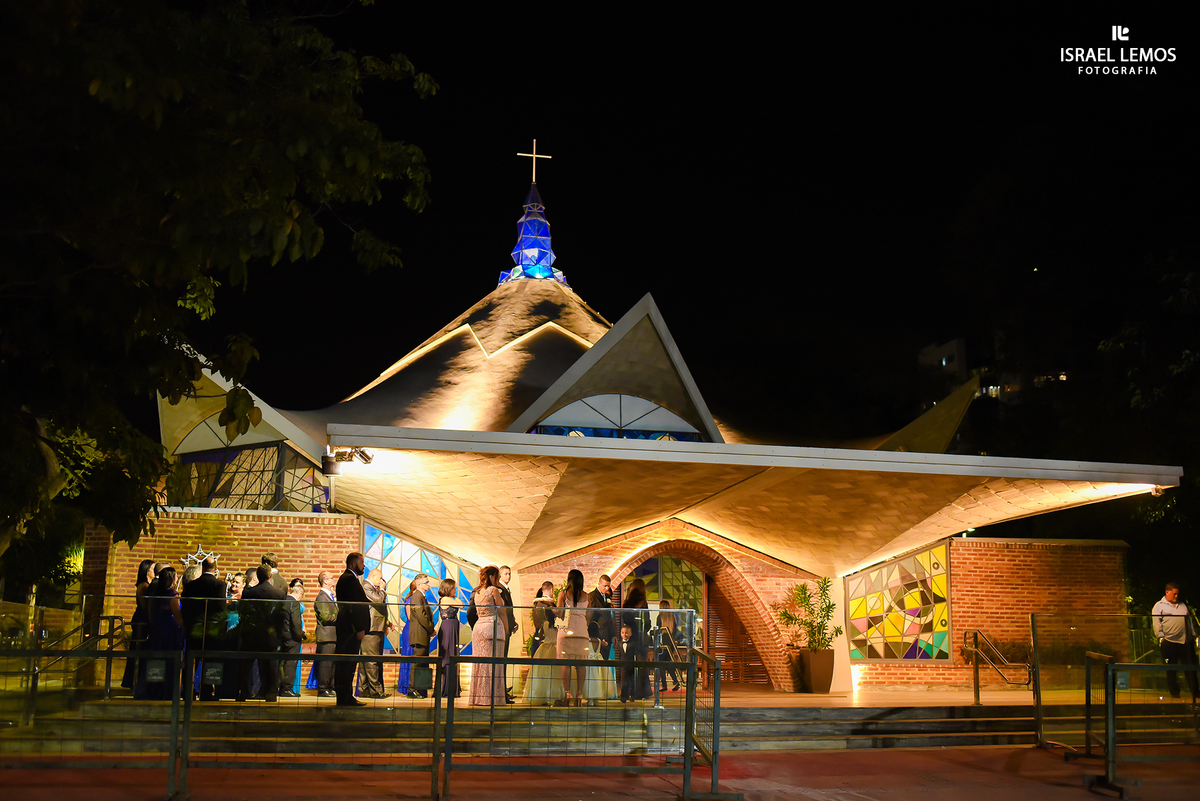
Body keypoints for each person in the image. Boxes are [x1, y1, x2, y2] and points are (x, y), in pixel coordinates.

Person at [181, 558, 227, 701]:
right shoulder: (220, 585)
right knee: (210, 661)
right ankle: (206, 692)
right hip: (211, 628)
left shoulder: (191, 585)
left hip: (194, 627)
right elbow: (220, 608)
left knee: (190, 660)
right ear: (215, 568)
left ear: (202, 568)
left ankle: (187, 691)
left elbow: (185, 605)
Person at [240, 565, 285, 702]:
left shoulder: (248, 593)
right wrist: (278, 634)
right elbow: (280, 617)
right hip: (269, 635)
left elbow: (243, 613)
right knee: (270, 666)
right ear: (270, 576)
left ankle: (242, 693)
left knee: (245, 666)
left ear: (257, 576)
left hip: (251, 634)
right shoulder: (279, 594)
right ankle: (270, 693)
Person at [469, 565, 509, 706]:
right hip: (493, 628)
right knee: (494, 664)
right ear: (491, 577)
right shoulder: (493, 590)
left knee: (480, 664)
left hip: (479, 629)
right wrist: (506, 627)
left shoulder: (477, 592)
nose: (498, 580)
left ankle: (479, 697)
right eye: (497, 577)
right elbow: (501, 611)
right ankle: (492, 698)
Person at [1153, 582, 1199, 700]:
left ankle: (1195, 692)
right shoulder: (1159, 606)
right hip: (1169, 642)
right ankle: (1174, 692)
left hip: (1185, 642)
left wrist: (1192, 635)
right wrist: (1161, 636)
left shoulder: (1182, 605)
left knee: (1190, 668)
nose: (1176, 596)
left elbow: (1188, 621)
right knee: (1171, 669)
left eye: (1177, 594)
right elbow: (1156, 622)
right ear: (1167, 592)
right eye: (1174, 594)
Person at [335, 552, 370, 707]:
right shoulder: (349, 579)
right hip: (350, 630)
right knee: (346, 665)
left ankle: (346, 697)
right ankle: (344, 698)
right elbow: (353, 607)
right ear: (353, 563)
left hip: (350, 629)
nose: (364, 565)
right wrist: (359, 627)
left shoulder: (349, 579)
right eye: (361, 562)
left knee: (348, 665)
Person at [144, 565, 184, 701]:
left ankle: (153, 690)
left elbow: (150, 615)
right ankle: (167, 691)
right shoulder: (173, 595)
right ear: (172, 579)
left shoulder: (154, 595)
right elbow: (177, 616)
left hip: (156, 630)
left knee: (155, 660)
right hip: (169, 631)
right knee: (169, 662)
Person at [524, 582, 564, 706]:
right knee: (555, 673)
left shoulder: (537, 604)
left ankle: (540, 694)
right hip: (554, 642)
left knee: (540, 671)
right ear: (551, 590)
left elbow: (537, 624)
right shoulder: (551, 604)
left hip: (542, 639)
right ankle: (556, 695)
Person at [556, 569, 590, 707]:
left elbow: (559, 613)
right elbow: (589, 616)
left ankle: (568, 694)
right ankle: (579, 694)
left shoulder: (563, 594)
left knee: (566, 663)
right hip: (582, 632)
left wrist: (550, 607)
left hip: (566, 632)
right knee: (581, 664)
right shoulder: (587, 596)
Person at [122, 559, 155, 693]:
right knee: (139, 648)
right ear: (147, 571)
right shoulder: (144, 586)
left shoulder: (147, 585)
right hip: (142, 619)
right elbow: (145, 606)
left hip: (143, 618)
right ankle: (135, 681)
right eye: (153, 568)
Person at [359, 567, 391, 699]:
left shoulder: (372, 587)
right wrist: (382, 590)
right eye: (380, 578)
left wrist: (387, 622)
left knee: (367, 660)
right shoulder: (366, 586)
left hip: (377, 627)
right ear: (373, 576)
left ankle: (364, 689)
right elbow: (378, 600)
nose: (382, 581)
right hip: (372, 628)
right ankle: (375, 690)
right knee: (371, 661)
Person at [405, 573, 435, 699]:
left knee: (421, 663)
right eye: (426, 582)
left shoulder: (421, 596)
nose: (428, 584)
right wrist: (430, 628)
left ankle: (420, 689)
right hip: (419, 634)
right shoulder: (417, 596)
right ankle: (412, 689)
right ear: (419, 584)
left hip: (422, 634)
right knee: (417, 663)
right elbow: (421, 616)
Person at [278, 577, 306, 697]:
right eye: (301, 596)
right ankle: (287, 688)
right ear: (299, 593)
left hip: (283, 636)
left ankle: (280, 687)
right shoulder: (294, 603)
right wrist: (301, 635)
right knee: (291, 663)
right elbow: (295, 623)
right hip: (292, 638)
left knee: (283, 663)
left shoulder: (284, 601)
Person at [622, 585, 651, 700]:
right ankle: (642, 692)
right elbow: (647, 622)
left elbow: (624, 619)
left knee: (628, 667)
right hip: (641, 639)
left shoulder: (626, 603)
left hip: (630, 638)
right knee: (642, 666)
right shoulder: (643, 603)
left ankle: (628, 692)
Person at [437, 578, 462, 700]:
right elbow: (461, 604)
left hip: (452, 627)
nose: (455, 590)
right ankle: (447, 688)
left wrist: (455, 596)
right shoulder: (445, 599)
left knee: (453, 654)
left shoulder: (450, 599)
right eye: (453, 588)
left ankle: (452, 687)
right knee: (448, 656)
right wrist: (455, 597)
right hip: (448, 628)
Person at [314, 571, 338, 698]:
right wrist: (340, 616)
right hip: (326, 636)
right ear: (325, 581)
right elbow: (326, 617)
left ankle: (330, 687)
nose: (334, 580)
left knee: (332, 664)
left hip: (332, 636)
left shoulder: (330, 596)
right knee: (325, 664)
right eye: (332, 578)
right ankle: (323, 688)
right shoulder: (322, 597)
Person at [498, 565, 519, 701]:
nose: (508, 576)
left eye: (510, 574)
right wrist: (508, 624)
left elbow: (509, 610)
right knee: (502, 659)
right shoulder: (500, 589)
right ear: (500, 575)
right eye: (506, 574)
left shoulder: (505, 588)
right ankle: (501, 692)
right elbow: (503, 610)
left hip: (507, 626)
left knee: (504, 659)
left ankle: (503, 690)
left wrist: (513, 622)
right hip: (503, 628)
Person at [655, 598, 683, 693]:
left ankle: (664, 685)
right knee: (667, 663)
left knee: (661, 664)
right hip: (671, 641)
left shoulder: (660, 617)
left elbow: (658, 630)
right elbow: (675, 630)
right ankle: (676, 681)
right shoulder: (672, 617)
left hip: (663, 641)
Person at [587, 574, 615, 659]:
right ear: (599, 583)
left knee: (605, 660)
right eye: (605, 586)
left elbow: (610, 617)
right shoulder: (592, 596)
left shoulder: (607, 596)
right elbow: (591, 616)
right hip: (598, 633)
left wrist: (613, 634)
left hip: (607, 633)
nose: (607, 588)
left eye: (608, 586)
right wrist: (595, 636)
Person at [615, 623, 639, 703]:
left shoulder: (633, 643)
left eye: (626, 633)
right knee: (624, 681)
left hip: (631, 664)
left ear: (631, 634)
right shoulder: (619, 643)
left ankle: (632, 695)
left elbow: (636, 654)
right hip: (623, 665)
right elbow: (619, 655)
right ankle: (624, 696)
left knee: (632, 681)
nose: (624, 634)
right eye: (623, 633)